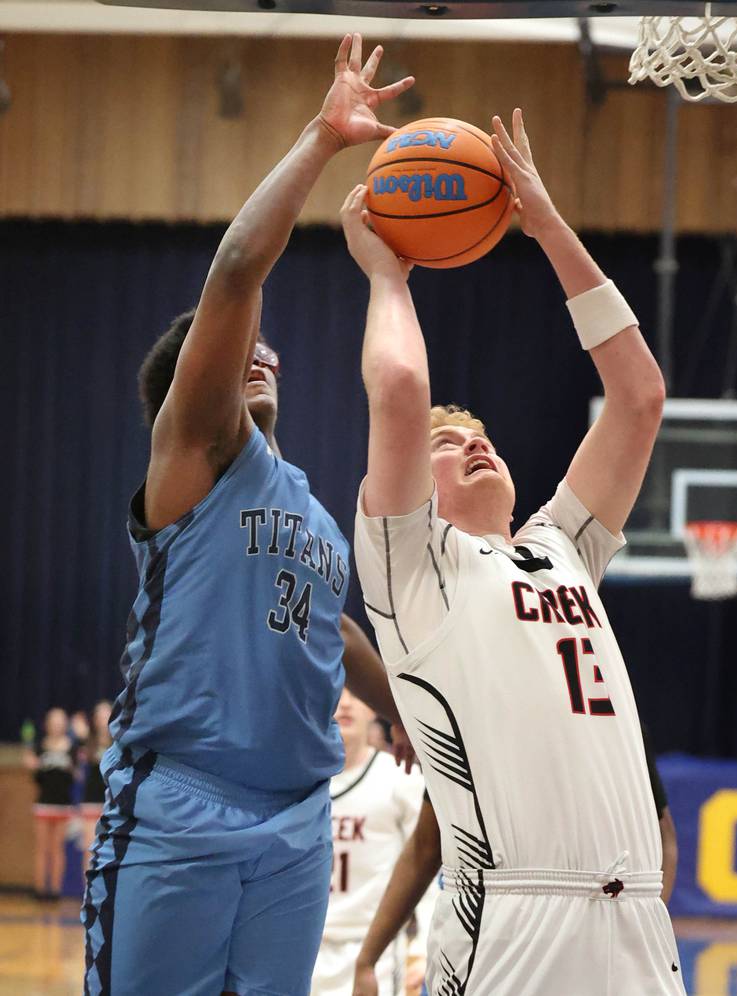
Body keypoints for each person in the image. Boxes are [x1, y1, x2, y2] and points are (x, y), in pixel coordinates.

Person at [82, 35, 415, 996]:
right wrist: (321, 137)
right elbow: (235, 271)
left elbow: (332, 623)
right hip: (182, 803)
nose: (256, 354)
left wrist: (407, 709)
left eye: (263, 350)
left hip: (296, 820)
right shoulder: (194, 459)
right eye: (235, 356)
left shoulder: (308, 506)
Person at [343, 107, 686, 994]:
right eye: (448, 445)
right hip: (511, 921)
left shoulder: (563, 547)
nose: (475, 443)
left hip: (637, 916)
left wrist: (544, 222)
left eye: (482, 435)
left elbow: (640, 394)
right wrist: (388, 275)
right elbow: (403, 386)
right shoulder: (413, 571)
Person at [352, 724, 679, 996]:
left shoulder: (612, 719)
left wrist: (645, 926)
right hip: (498, 935)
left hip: (553, 935)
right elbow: (426, 847)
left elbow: (664, 838)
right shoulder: (471, 719)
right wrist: (367, 959)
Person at [312, 687, 434, 996]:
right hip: (302, 945)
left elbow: (427, 863)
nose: (347, 703)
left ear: (375, 707)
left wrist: (423, 950)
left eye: (358, 692)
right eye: (337, 690)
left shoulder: (400, 778)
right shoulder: (296, 781)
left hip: (372, 948)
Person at [23, 707, 77, 901]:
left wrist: (74, 768)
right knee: (42, 848)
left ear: (64, 724)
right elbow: (37, 778)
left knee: (57, 849)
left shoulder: (73, 747)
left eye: (60, 721)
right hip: (43, 804)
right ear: (47, 725)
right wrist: (32, 764)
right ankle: (40, 890)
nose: (57, 725)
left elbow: (77, 777)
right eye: (53, 722)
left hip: (63, 804)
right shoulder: (39, 747)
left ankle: (55, 890)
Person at [79, 700, 113, 873]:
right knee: (89, 848)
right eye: (100, 716)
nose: (103, 719)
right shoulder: (87, 743)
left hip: (112, 802)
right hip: (91, 801)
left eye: (107, 714)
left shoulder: (119, 743)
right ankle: (88, 892)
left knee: (109, 850)